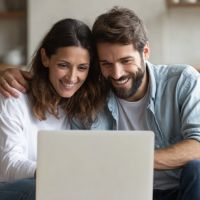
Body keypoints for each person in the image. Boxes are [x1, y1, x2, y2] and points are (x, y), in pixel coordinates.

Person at [1, 6, 200, 200]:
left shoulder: (182, 81)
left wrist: (135, 159)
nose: (117, 73)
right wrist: (12, 75)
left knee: (197, 169)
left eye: (126, 61)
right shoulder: (92, 96)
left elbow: (197, 145)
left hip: (180, 189)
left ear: (145, 51)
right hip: (121, 193)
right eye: (106, 63)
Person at [0, 18, 110, 200]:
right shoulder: (14, 97)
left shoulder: (83, 104)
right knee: (43, 188)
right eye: (63, 65)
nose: (72, 77)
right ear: (45, 58)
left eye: (82, 68)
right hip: (13, 190)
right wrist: (55, 174)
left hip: (61, 188)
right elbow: (9, 164)